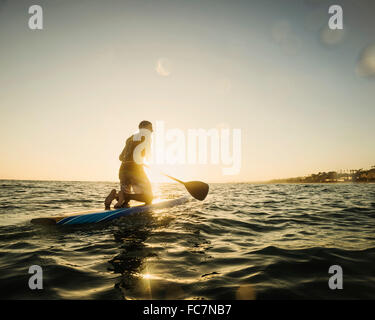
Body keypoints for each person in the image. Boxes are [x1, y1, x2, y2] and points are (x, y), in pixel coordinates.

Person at [105, 121, 153, 210]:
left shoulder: (130, 138)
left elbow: (120, 157)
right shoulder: (146, 136)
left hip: (122, 170)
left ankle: (116, 196)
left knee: (125, 202)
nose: (152, 130)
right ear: (144, 128)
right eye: (150, 128)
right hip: (135, 170)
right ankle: (124, 195)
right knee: (149, 198)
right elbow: (147, 155)